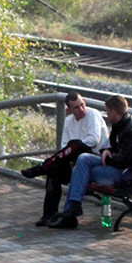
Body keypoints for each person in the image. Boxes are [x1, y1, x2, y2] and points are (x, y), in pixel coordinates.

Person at [48, 94, 132, 229]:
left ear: (113, 111)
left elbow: (123, 161)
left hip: (126, 174)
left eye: (107, 111)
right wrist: (106, 150)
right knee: (83, 158)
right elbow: (110, 146)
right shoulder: (120, 123)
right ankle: (73, 208)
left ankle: (71, 212)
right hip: (115, 166)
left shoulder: (131, 131)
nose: (106, 114)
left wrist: (108, 156)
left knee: (80, 171)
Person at [21, 92, 109, 226]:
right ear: (69, 110)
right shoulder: (69, 121)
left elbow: (94, 140)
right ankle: (49, 215)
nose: (81, 109)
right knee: (54, 169)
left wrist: (73, 148)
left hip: (93, 160)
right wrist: (71, 156)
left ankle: (42, 167)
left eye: (82, 105)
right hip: (74, 162)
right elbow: (64, 147)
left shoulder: (93, 114)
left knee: (76, 145)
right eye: (76, 108)